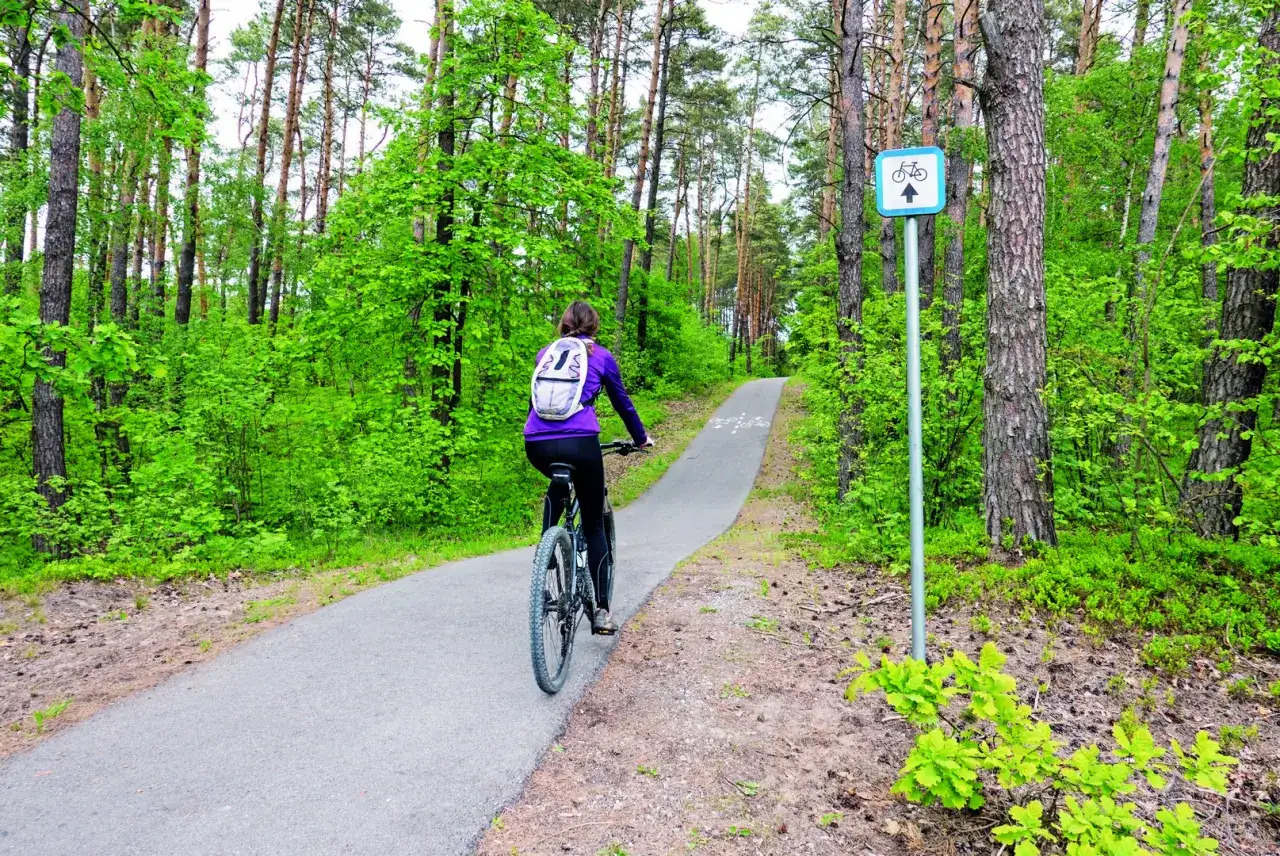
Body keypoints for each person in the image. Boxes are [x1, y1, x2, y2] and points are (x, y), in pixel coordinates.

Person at [524, 301, 652, 634]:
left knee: (558, 478)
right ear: (594, 327)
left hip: (535, 444)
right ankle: (602, 611)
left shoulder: (545, 354)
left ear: (563, 325)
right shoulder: (601, 357)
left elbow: (535, 402)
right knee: (594, 525)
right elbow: (622, 402)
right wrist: (640, 439)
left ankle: (546, 545)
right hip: (581, 442)